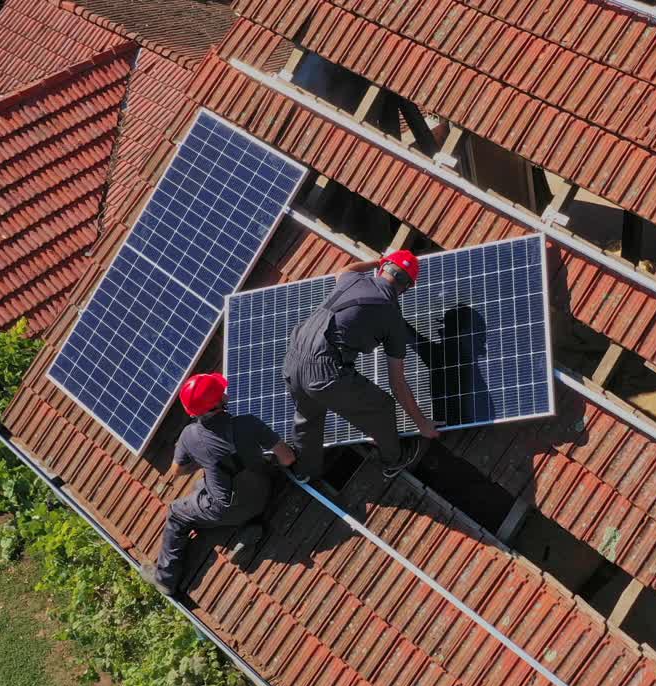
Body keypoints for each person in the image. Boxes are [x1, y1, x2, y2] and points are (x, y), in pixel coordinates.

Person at [283, 249, 439, 485]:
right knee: (383, 407)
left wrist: (378, 261)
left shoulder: (352, 279)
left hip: (293, 358)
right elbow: (397, 384)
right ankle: (393, 459)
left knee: (308, 415)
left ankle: (305, 470)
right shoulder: (392, 317)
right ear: (407, 287)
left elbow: (345, 269)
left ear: (383, 268)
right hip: (325, 373)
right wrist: (422, 424)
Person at [141, 372, 295, 596]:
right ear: (218, 404)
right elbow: (288, 458)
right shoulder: (248, 423)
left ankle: (165, 579)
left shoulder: (189, 436)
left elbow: (176, 470)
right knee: (203, 489)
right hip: (264, 491)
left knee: (176, 513)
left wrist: (205, 460)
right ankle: (249, 529)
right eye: (221, 392)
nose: (225, 393)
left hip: (227, 509)